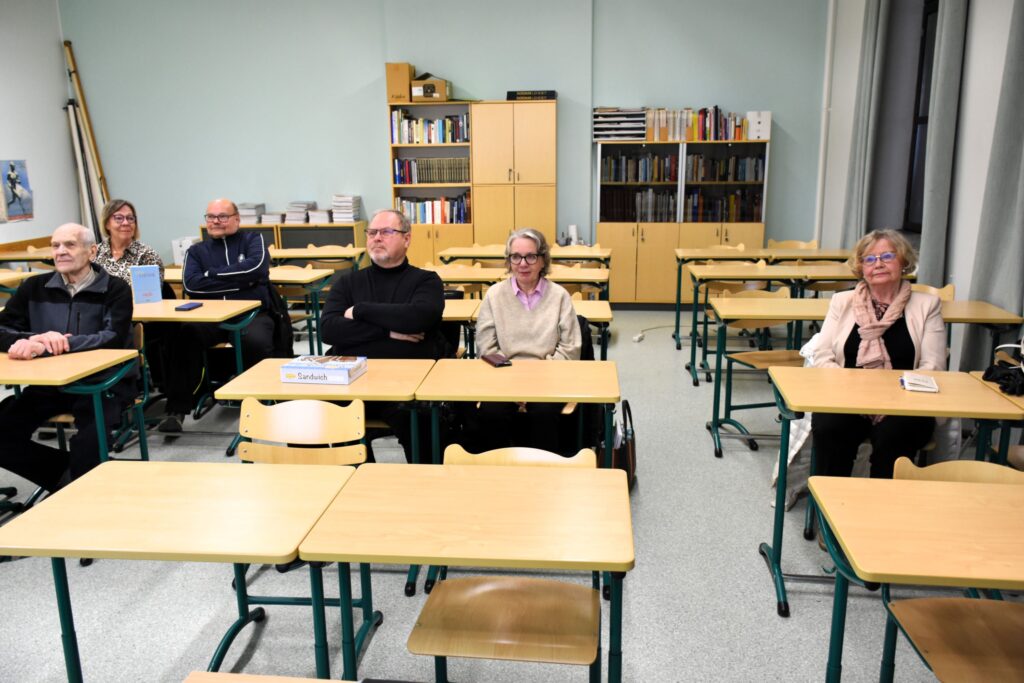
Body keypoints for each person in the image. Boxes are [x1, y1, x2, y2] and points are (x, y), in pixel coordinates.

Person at [0, 223, 134, 493]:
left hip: (102, 384)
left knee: (89, 443)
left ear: (92, 251)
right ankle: (62, 475)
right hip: (49, 385)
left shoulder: (115, 288)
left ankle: (81, 490)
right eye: (55, 245)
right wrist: (32, 339)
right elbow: (3, 329)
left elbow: (113, 337)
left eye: (70, 245)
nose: (60, 251)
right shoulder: (33, 287)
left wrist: (56, 344)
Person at [811, 229, 947, 479]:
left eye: (887, 256)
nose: (879, 264)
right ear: (861, 267)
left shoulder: (927, 305)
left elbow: (934, 365)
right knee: (829, 426)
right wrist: (850, 390)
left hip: (906, 401)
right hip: (846, 396)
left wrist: (893, 398)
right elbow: (822, 355)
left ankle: (882, 501)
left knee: (894, 434)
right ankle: (829, 498)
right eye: (870, 259)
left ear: (904, 262)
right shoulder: (842, 301)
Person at [320, 208, 444, 462]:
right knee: (305, 411)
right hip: (353, 382)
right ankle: (352, 476)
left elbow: (418, 318)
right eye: (372, 232)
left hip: (405, 385)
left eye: (386, 232)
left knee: (421, 420)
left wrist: (360, 310)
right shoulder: (347, 283)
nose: (377, 237)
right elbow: (329, 329)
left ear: (407, 239)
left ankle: (425, 482)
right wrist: (388, 330)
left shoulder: (426, 280)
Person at [158, 198, 276, 432]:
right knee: (183, 336)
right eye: (211, 217)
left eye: (222, 216)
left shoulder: (253, 240)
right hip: (211, 317)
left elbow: (256, 269)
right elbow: (191, 285)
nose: (215, 221)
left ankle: (259, 405)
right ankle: (176, 411)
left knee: (256, 341)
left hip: (251, 313)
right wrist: (243, 282)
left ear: (236, 219)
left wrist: (211, 274)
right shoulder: (196, 251)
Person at [470, 227, 582, 452]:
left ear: (542, 260)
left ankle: (543, 470)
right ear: (509, 260)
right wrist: (514, 384)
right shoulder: (494, 295)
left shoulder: (559, 296)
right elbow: (486, 346)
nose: (522, 264)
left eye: (530, 256)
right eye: (516, 257)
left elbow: (570, 348)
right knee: (491, 413)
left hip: (548, 378)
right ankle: (499, 469)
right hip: (503, 377)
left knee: (544, 413)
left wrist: (535, 383)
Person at [93, 199, 164, 283]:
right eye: (119, 218)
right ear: (107, 224)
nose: (126, 223)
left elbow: (150, 290)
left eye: (130, 218)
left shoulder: (147, 255)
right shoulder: (95, 253)